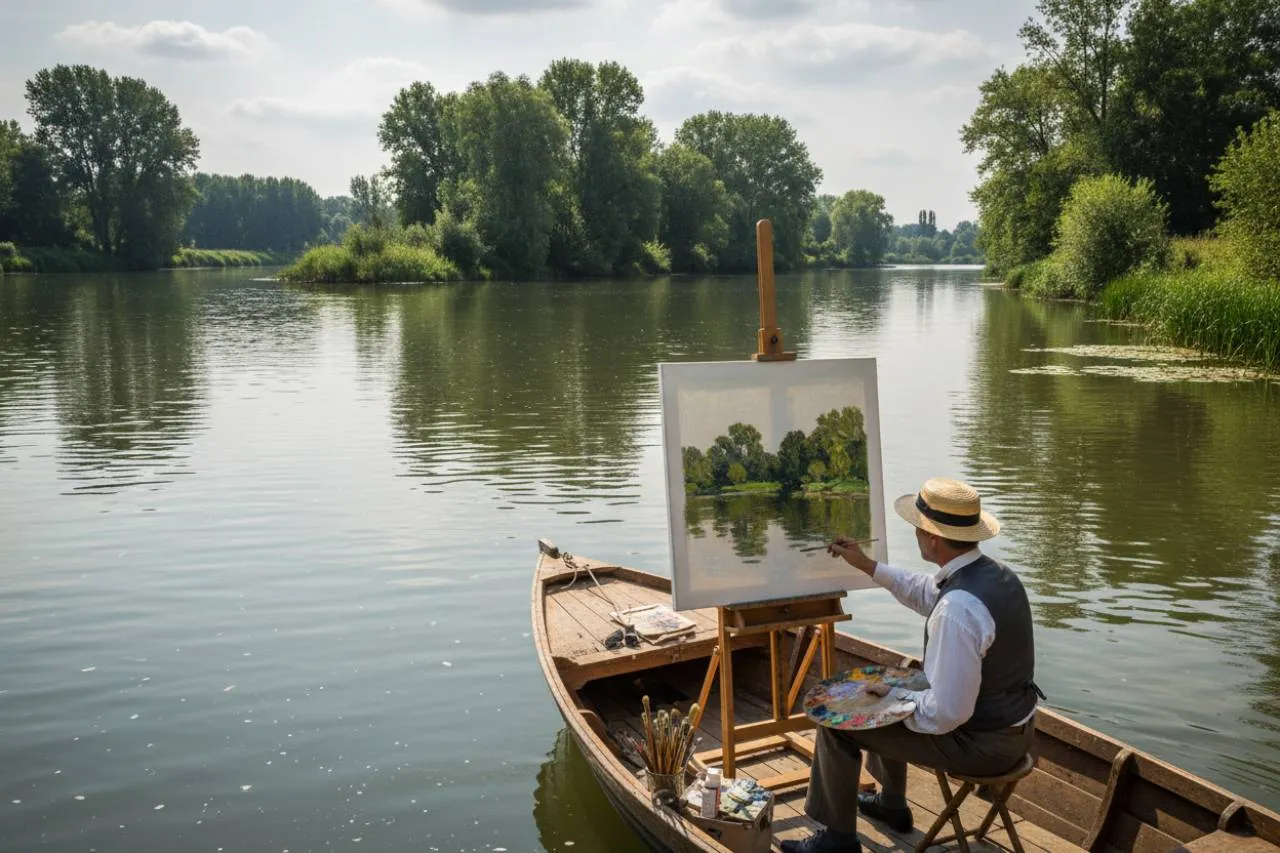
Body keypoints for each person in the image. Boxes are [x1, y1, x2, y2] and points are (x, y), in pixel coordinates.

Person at [782, 477, 1043, 853]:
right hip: (1016, 730)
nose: (915, 532)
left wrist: (893, 699)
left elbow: (946, 714)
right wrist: (867, 565)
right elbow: (925, 591)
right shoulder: (992, 575)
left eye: (918, 526)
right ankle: (892, 805)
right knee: (897, 682)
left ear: (932, 537)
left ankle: (837, 842)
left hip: (983, 745)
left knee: (837, 724)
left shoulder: (957, 610)